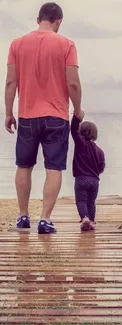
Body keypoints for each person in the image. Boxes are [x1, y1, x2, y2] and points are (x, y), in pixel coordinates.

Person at [4, 2, 84, 234]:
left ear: (38, 19)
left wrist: (9, 112)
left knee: (24, 165)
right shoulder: (67, 44)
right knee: (54, 168)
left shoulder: (17, 44)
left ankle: (22, 217)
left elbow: (11, 82)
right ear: (58, 21)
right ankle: (45, 219)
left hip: (27, 116)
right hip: (57, 116)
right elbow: (73, 82)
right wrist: (78, 109)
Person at [71, 115, 105, 231]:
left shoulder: (81, 144)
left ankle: (84, 218)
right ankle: (91, 221)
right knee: (91, 202)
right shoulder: (100, 151)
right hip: (94, 181)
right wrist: (96, 173)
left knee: (81, 200)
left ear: (81, 132)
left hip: (81, 179)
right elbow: (101, 167)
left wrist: (77, 116)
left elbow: (73, 129)